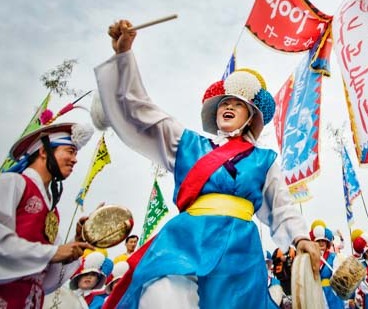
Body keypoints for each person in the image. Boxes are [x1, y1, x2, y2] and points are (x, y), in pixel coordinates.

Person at [96, 19, 319, 309]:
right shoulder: (187, 143)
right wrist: (123, 57)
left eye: (237, 104)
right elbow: (142, 112)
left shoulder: (264, 160)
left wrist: (301, 237)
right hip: (186, 238)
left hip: (239, 248)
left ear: (250, 117)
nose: (228, 106)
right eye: (224, 102)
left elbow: (281, 206)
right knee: (162, 295)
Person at [0, 121, 95, 308]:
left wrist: (73, 249)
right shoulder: (12, 183)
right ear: (44, 151)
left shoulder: (52, 211)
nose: (75, 159)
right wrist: (53, 252)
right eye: (70, 151)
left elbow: (48, 282)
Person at [311, 224, 344, 309]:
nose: (321, 243)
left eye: (323, 241)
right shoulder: (311, 258)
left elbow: (336, 274)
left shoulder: (334, 257)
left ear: (327, 243)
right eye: (318, 241)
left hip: (332, 291)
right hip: (316, 293)